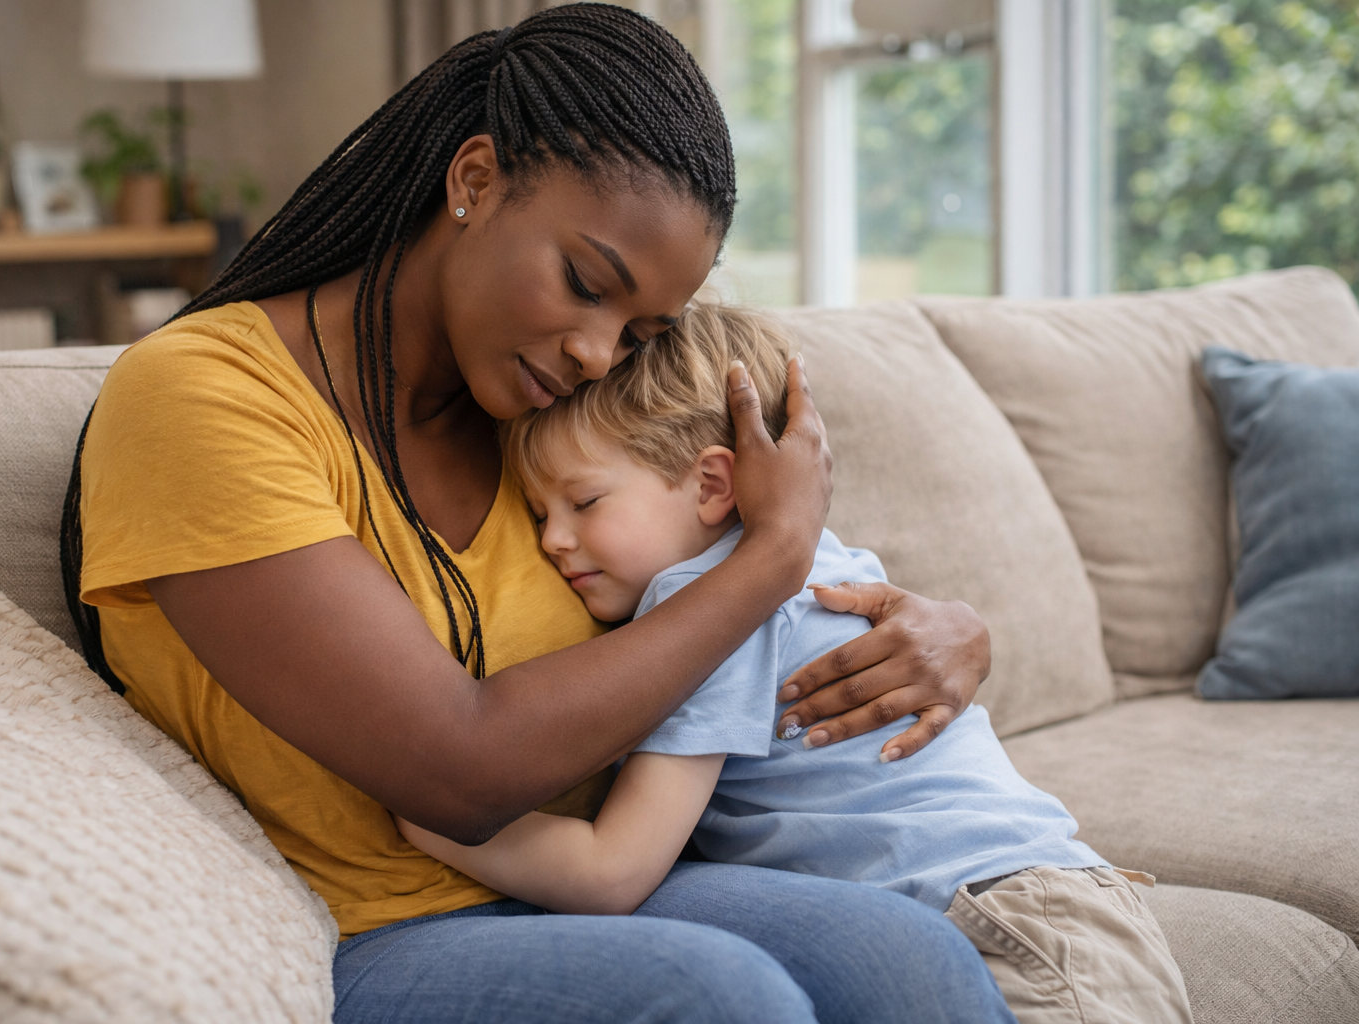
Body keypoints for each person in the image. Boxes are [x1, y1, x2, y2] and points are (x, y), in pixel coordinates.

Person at [61, 6, 1011, 1022]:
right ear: (474, 180)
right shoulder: (203, 396)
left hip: (600, 878)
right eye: (585, 283)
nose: (601, 353)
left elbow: (725, 568)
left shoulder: (546, 421)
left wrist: (942, 627)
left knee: (909, 963)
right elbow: (459, 769)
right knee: (722, 1000)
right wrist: (770, 559)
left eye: (640, 328)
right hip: (369, 928)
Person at [400, 301, 1194, 1024]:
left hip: (1009, 923)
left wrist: (443, 821)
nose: (552, 541)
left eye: (585, 502)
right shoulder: (811, 558)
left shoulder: (710, 604)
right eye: (540, 514)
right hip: (1037, 900)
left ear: (713, 482)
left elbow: (614, 872)